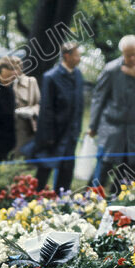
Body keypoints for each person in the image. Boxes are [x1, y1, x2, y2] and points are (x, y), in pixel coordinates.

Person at [89, 35, 135, 191]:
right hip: (112, 124)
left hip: (134, 125)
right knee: (106, 162)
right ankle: (91, 196)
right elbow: (99, 98)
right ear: (122, 53)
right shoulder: (111, 69)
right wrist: (93, 125)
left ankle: (116, 196)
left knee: (130, 163)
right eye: (128, 55)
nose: (132, 58)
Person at [34, 41, 84, 192]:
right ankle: (33, 198)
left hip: (71, 133)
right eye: (77, 55)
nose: (79, 59)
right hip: (54, 133)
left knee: (66, 169)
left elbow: (79, 104)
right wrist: (48, 136)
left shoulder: (78, 75)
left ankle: (62, 202)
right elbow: (46, 109)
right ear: (67, 56)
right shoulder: (51, 77)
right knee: (45, 168)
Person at [12, 57, 41, 159]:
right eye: (11, 68)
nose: (14, 71)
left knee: (22, 157)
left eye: (17, 67)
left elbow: (38, 104)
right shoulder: (5, 84)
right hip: (8, 125)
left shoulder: (30, 82)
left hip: (24, 125)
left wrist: (30, 111)